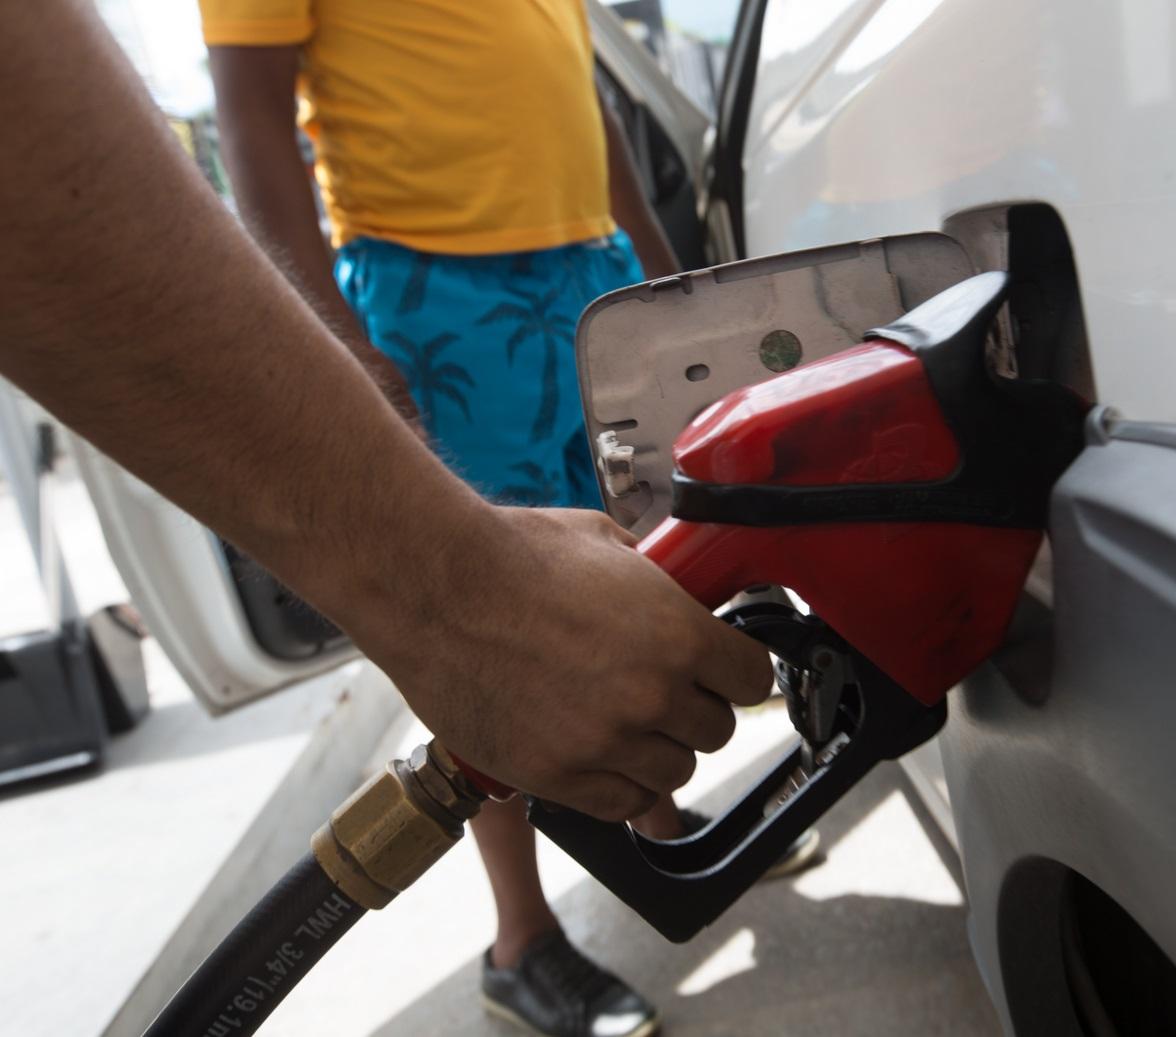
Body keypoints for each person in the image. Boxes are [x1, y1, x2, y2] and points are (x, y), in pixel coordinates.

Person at [0, 2, 771, 1033]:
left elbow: (582, 100)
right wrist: (344, 342)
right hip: (437, 294)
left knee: (621, 561)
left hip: (585, 272)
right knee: (501, 613)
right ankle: (523, 938)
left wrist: (657, 263)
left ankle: (655, 825)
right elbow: (253, 121)